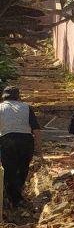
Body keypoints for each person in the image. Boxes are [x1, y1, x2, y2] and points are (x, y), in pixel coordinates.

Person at [0, 87, 41, 218]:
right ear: (18, 97)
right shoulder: (26, 107)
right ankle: (16, 197)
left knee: (9, 170)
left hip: (7, 140)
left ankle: (12, 199)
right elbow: (36, 130)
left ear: (4, 97)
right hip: (26, 141)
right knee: (23, 168)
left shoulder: (1, 108)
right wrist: (39, 148)